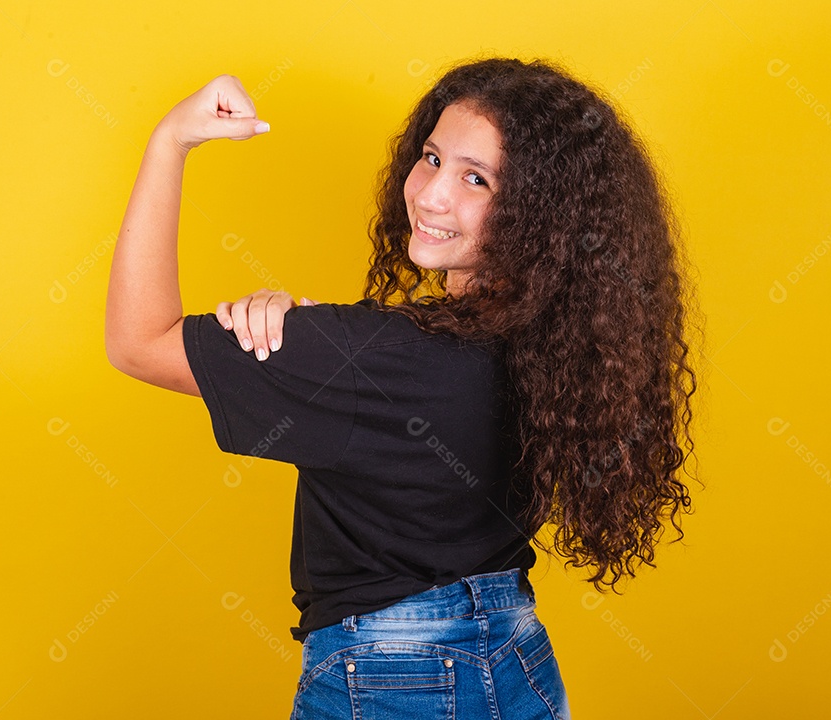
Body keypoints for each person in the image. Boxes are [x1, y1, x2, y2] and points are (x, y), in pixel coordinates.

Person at [105, 55, 701, 720]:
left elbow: (139, 341)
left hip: (394, 678)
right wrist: (309, 342)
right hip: (517, 661)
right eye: (433, 158)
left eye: (477, 179)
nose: (431, 194)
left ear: (542, 213)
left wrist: (171, 141)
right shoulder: (557, 350)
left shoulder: (379, 359)